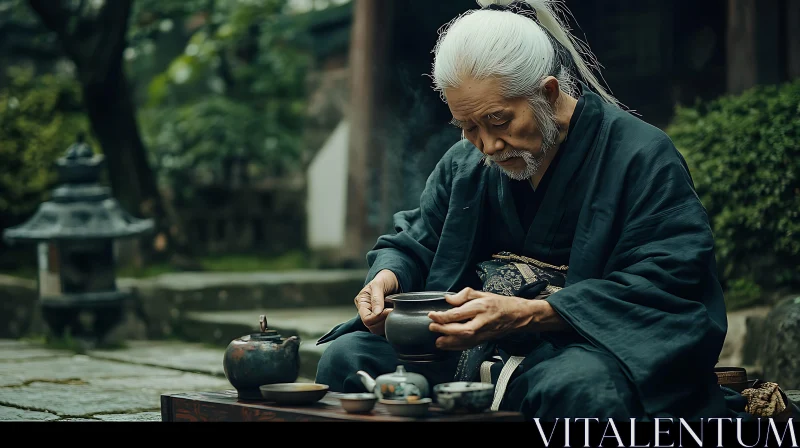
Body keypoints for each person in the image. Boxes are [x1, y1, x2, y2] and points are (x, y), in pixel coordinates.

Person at [314, 0, 731, 421]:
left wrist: (532, 314)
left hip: (582, 346)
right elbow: (418, 240)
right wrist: (388, 276)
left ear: (547, 92)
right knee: (349, 357)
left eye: (499, 121)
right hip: (472, 346)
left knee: (581, 388)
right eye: (469, 126)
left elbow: (667, 281)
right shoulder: (465, 163)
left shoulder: (640, 156)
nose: (489, 146)